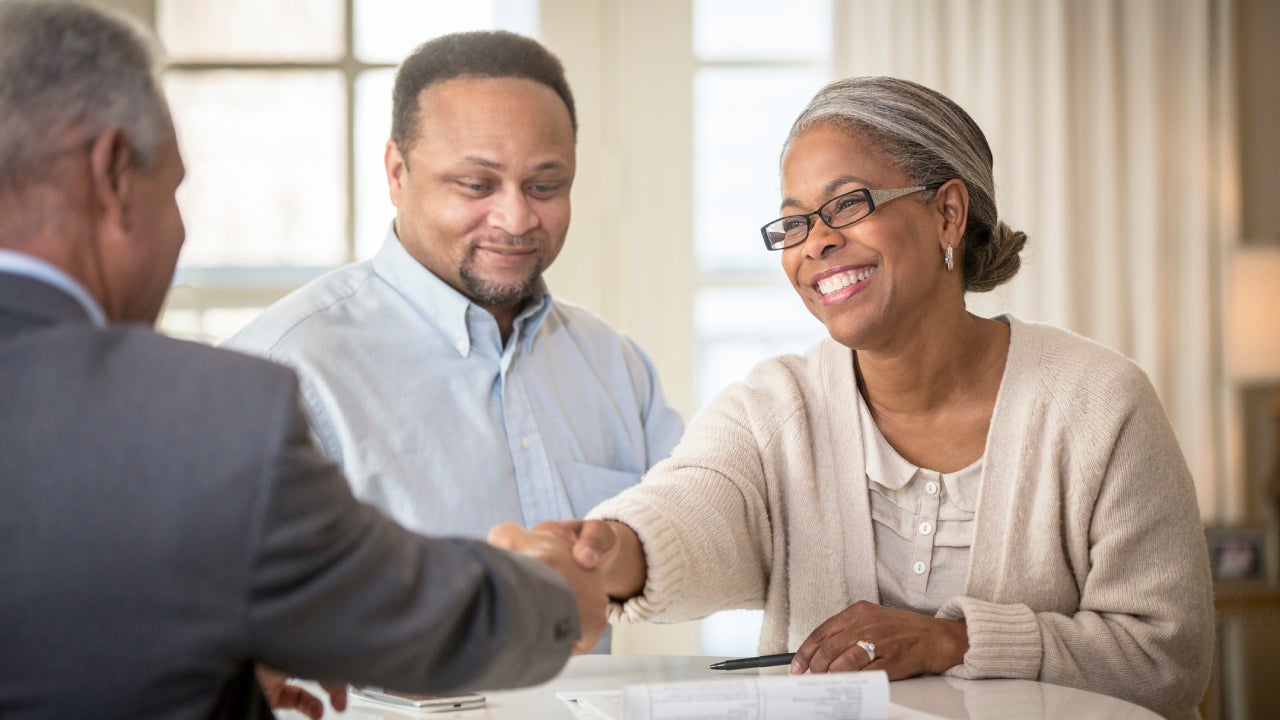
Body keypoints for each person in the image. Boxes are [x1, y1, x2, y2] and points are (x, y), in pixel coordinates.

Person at [496, 76, 1215, 720]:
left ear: (948, 215)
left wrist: (952, 640)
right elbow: (693, 505)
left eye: (847, 204)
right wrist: (602, 554)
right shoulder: (777, 406)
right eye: (794, 222)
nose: (816, 243)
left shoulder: (1100, 404)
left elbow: (1166, 660)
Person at [0, 2, 605, 718]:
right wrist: (557, 592)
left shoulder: (605, 358)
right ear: (113, 175)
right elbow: (411, 610)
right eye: (175, 187)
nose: (181, 228)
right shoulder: (207, 410)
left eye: (544, 184)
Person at [225, 31, 683, 543]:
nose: (515, 219)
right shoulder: (280, 374)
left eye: (544, 187)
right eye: (476, 185)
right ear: (398, 174)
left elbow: (700, 542)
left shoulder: (614, 366)